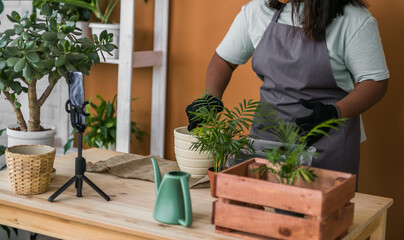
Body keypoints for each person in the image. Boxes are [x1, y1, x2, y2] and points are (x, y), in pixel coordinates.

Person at [186, 0, 389, 177]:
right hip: (266, 140)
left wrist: (334, 112)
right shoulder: (257, 10)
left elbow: (375, 82)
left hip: (326, 141)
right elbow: (224, 60)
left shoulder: (353, 20)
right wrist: (212, 96)